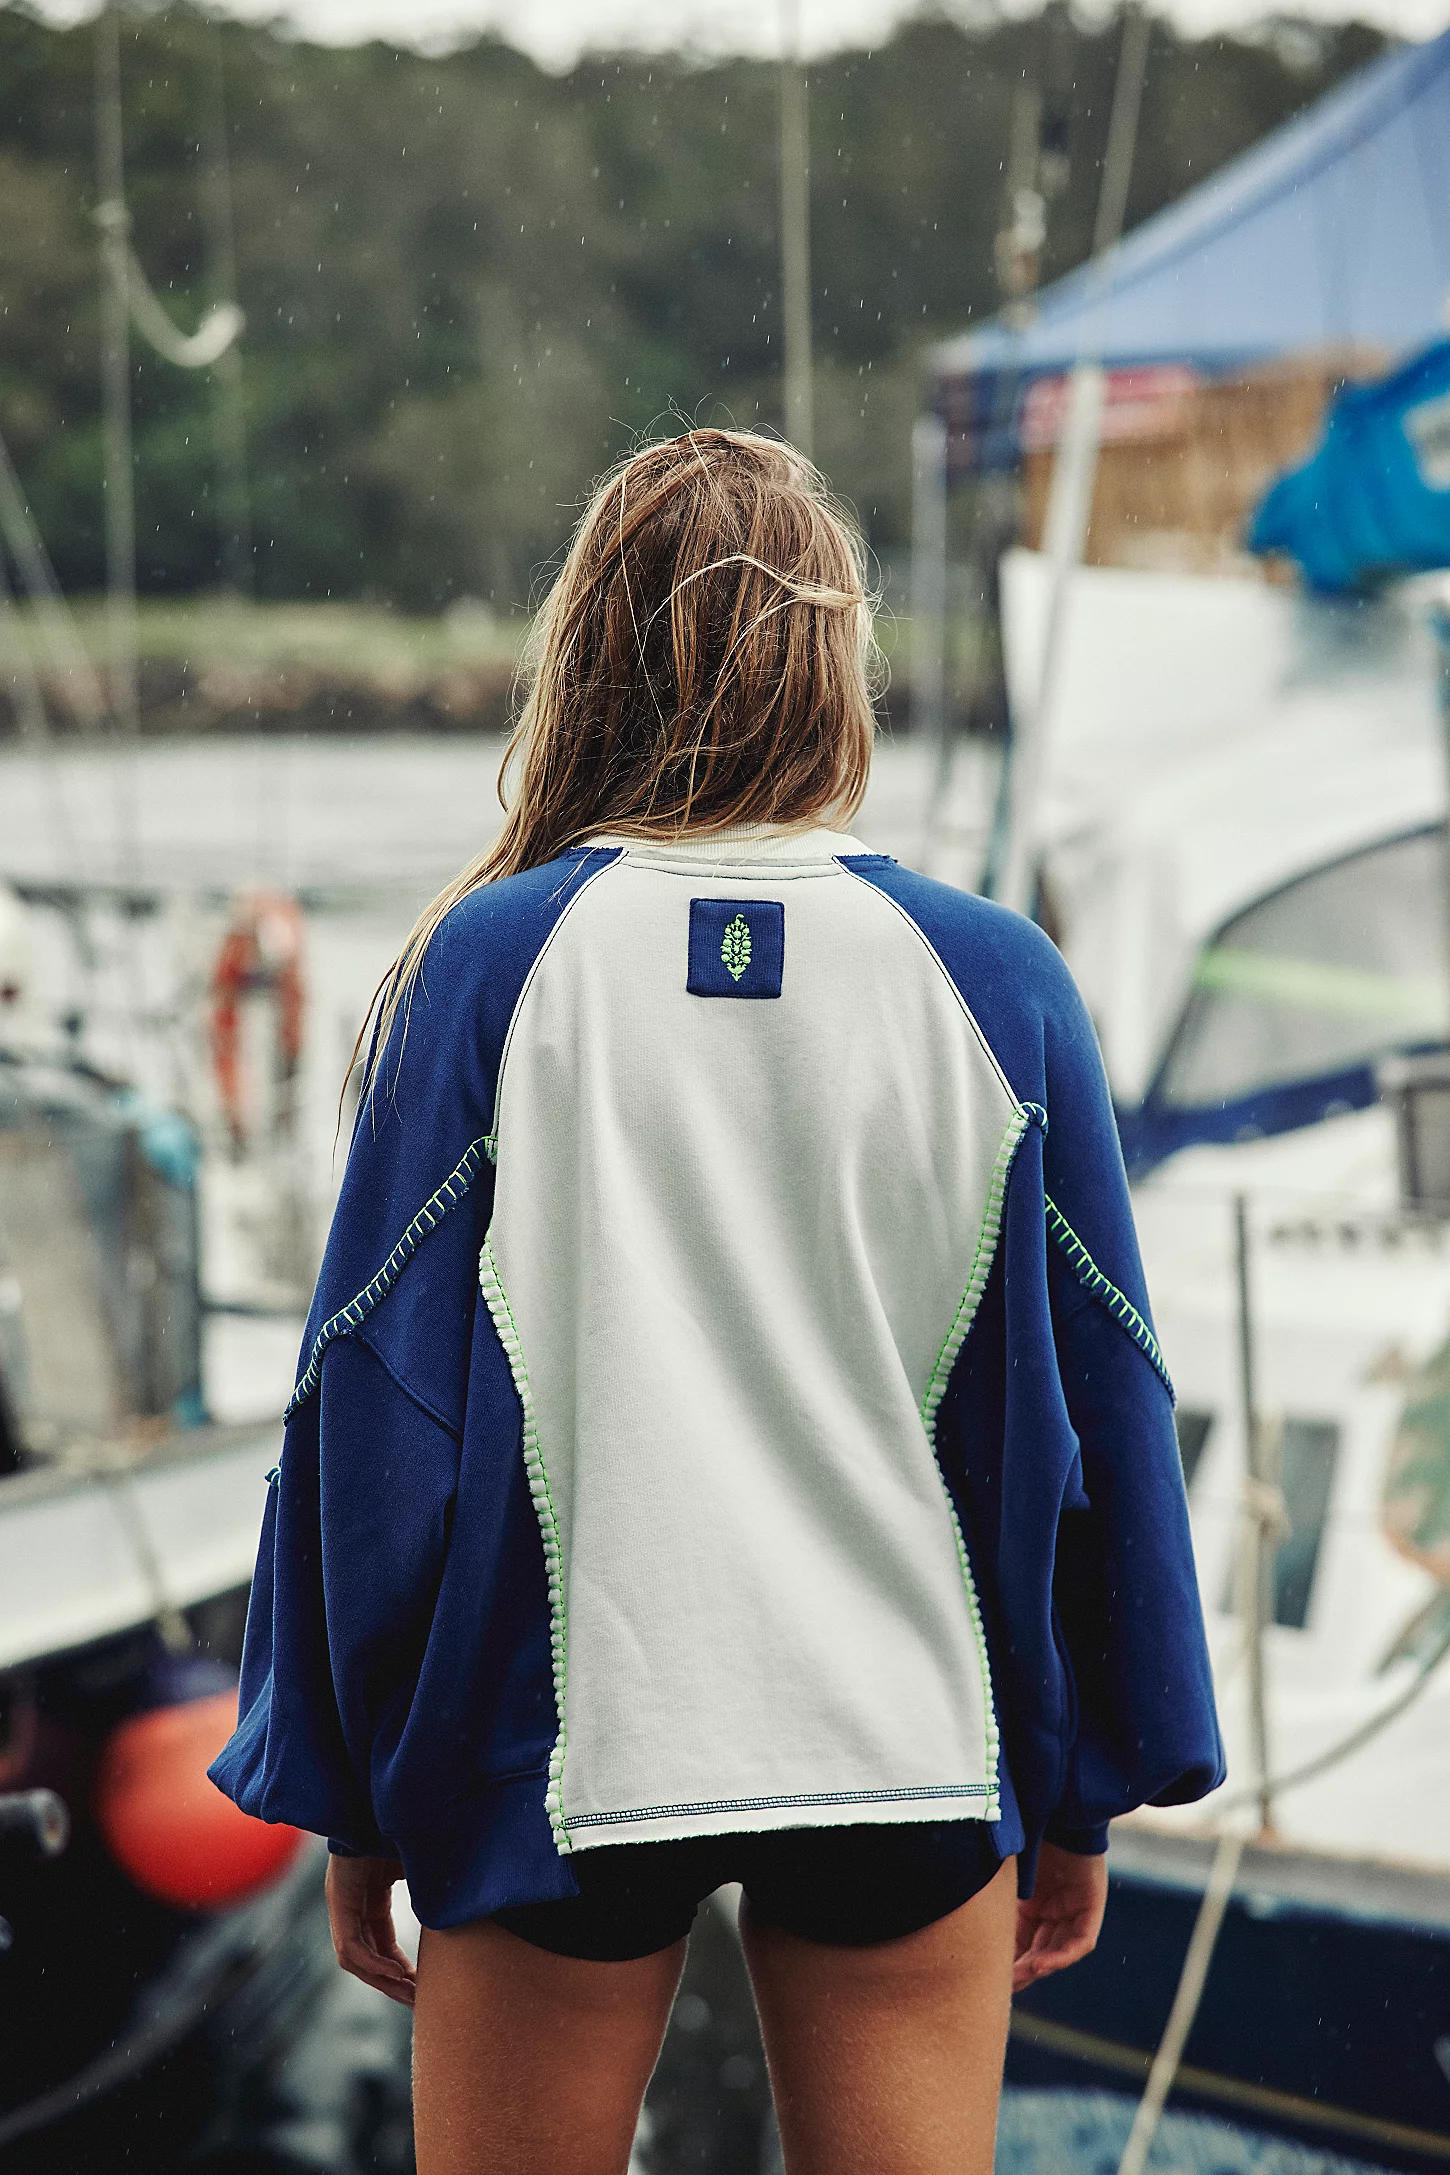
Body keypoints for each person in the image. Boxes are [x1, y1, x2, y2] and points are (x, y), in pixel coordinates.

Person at [211, 428, 1222, 2174]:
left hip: (557, 1748)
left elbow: (366, 1406)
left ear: (586, 654)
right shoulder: (994, 979)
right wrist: (1081, 1781)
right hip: (905, 1735)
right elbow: (1101, 1406)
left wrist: (351, 1787)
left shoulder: (488, 968)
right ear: (835, 662)